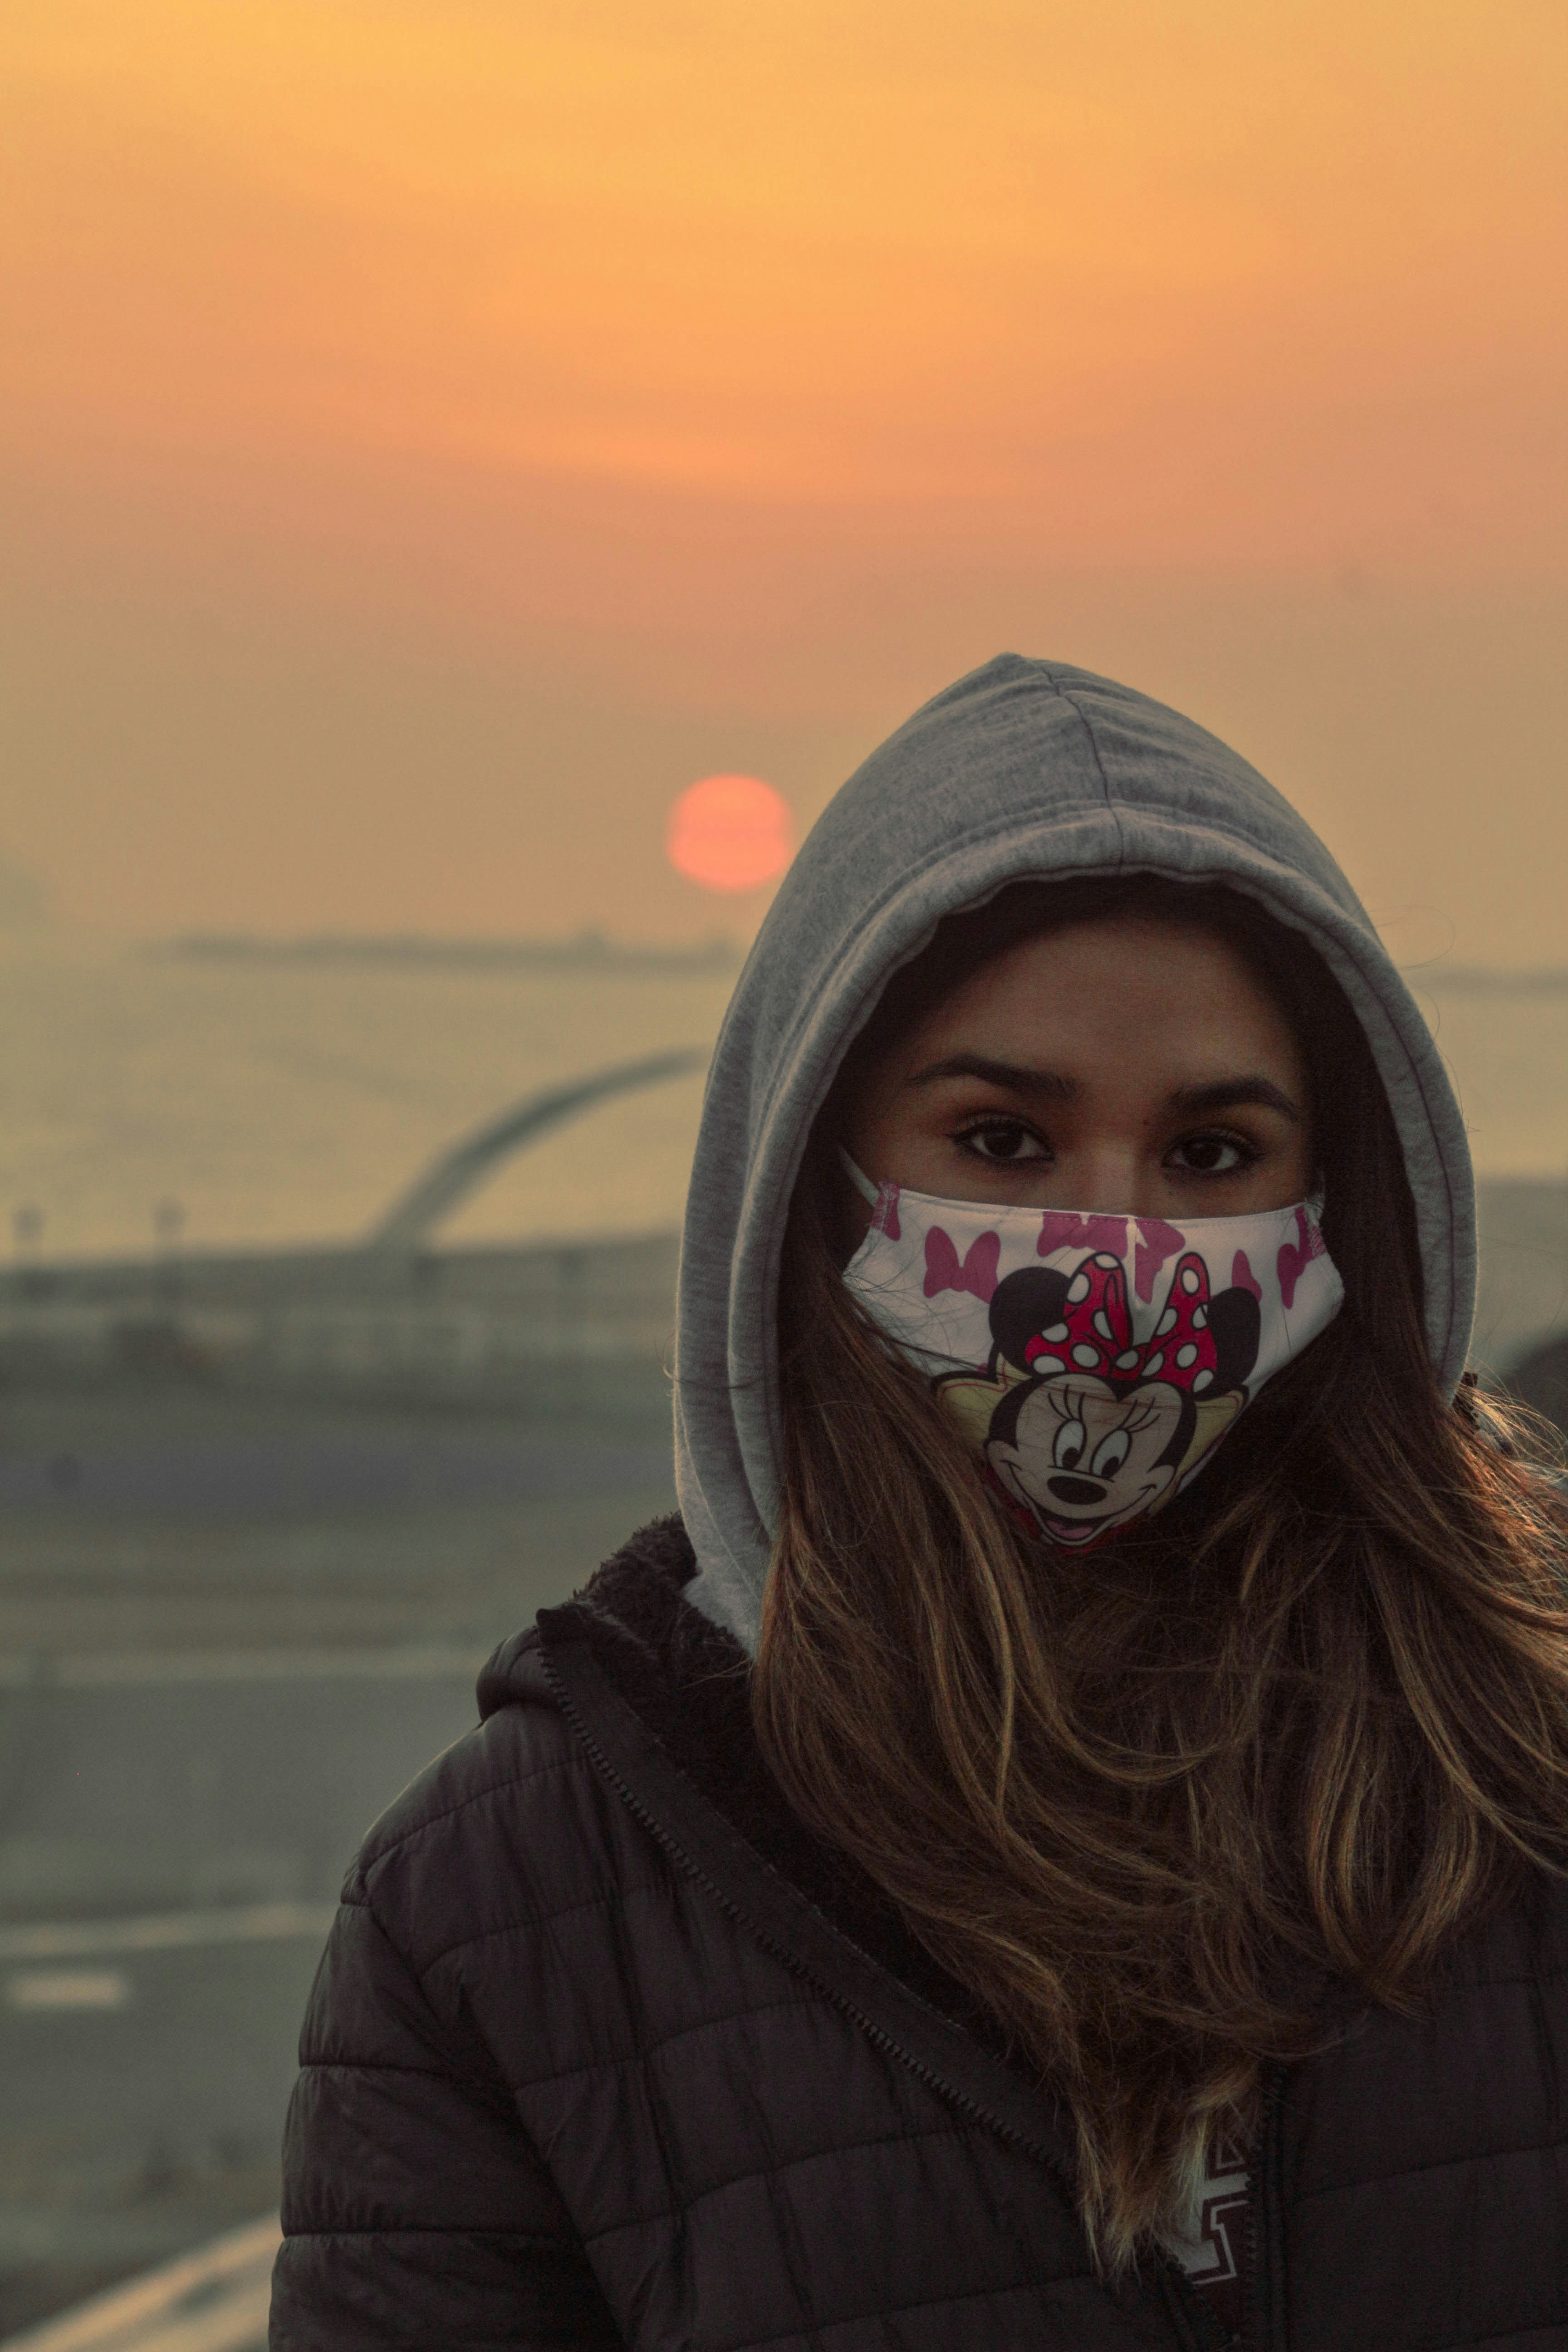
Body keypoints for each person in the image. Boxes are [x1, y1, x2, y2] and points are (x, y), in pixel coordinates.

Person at [270, 657, 1568, 2352]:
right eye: (1005, 1143)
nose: (1116, 1252)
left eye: (1211, 1154)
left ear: (1344, 1206)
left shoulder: (1522, 1771)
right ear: (810, 1182)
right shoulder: (506, 1907)